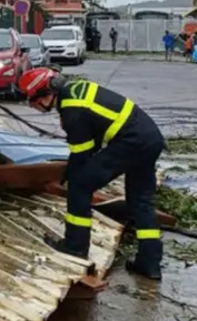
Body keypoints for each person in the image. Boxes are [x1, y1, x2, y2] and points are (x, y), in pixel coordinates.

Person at [17, 67, 165, 280]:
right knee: (141, 201)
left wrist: (70, 175)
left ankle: (75, 246)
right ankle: (150, 264)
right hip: (150, 139)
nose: (32, 105)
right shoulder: (77, 91)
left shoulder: (71, 109)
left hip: (130, 143)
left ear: (45, 94)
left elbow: (82, 154)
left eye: (31, 99)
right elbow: (92, 141)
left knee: (79, 186)